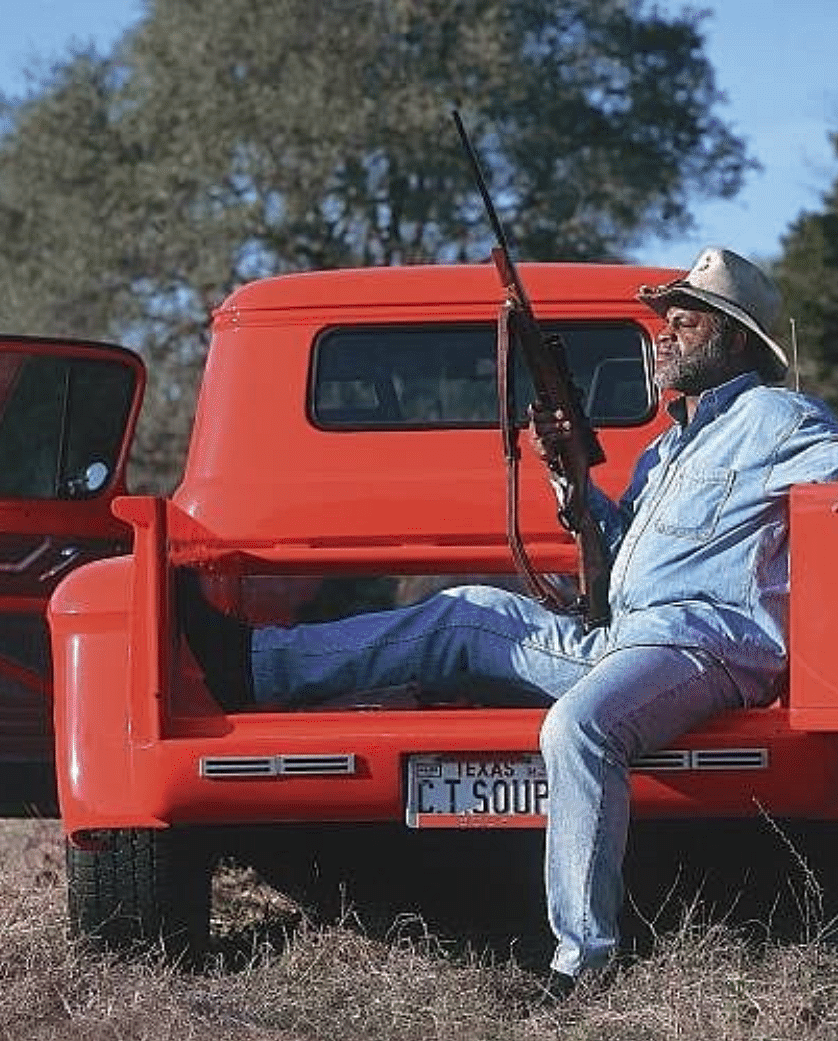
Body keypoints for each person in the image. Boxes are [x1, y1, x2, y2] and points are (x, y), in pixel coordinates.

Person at [178, 247, 838, 1000]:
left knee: (577, 729)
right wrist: (569, 473)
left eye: (685, 323)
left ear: (738, 339)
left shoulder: (778, 419)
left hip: (703, 644)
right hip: (626, 638)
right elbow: (612, 544)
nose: (664, 334)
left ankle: (582, 964)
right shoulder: (667, 448)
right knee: (466, 612)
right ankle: (256, 668)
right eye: (665, 321)